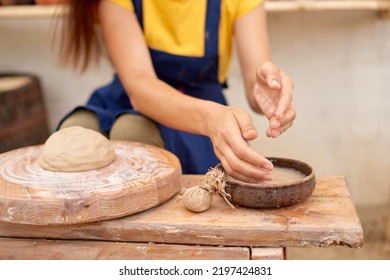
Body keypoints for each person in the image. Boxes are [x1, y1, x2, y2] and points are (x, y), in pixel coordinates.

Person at [57, 0, 296, 183]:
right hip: (134, 96)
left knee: (132, 132)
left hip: (198, 104)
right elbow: (139, 85)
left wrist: (267, 91)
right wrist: (211, 119)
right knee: (73, 132)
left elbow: (255, 77)